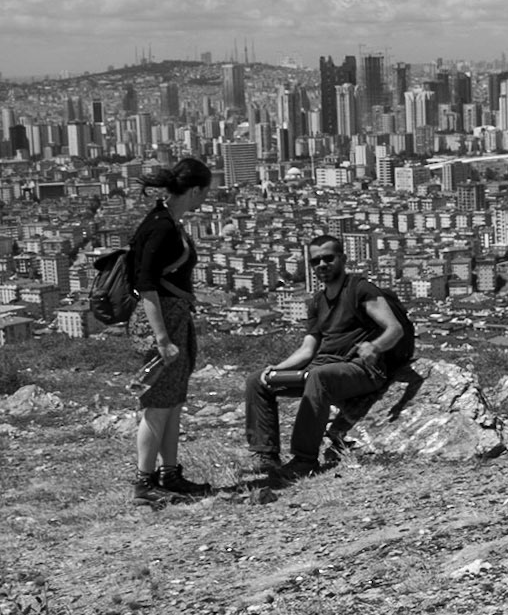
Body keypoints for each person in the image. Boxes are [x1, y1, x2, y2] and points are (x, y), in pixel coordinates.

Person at [243, 235, 406, 480]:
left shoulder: (360, 289)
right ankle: (266, 456)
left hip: (360, 369)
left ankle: (303, 459)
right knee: (258, 381)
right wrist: (275, 370)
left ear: (343, 259)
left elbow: (394, 329)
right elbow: (308, 350)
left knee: (318, 377)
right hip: (324, 369)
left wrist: (375, 346)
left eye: (328, 258)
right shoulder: (317, 302)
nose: (321, 264)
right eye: (315, 261)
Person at [129, 157, 214, 506]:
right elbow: (146, 285)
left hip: (173, 317)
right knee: (157, 404)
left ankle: (169, 473)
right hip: (160, 320)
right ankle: (144, 482)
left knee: (173, 402)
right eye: (204, 193)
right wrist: (161, 338)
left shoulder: (167, 221)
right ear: (193, 190)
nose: (205, 199)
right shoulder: (162, 226)